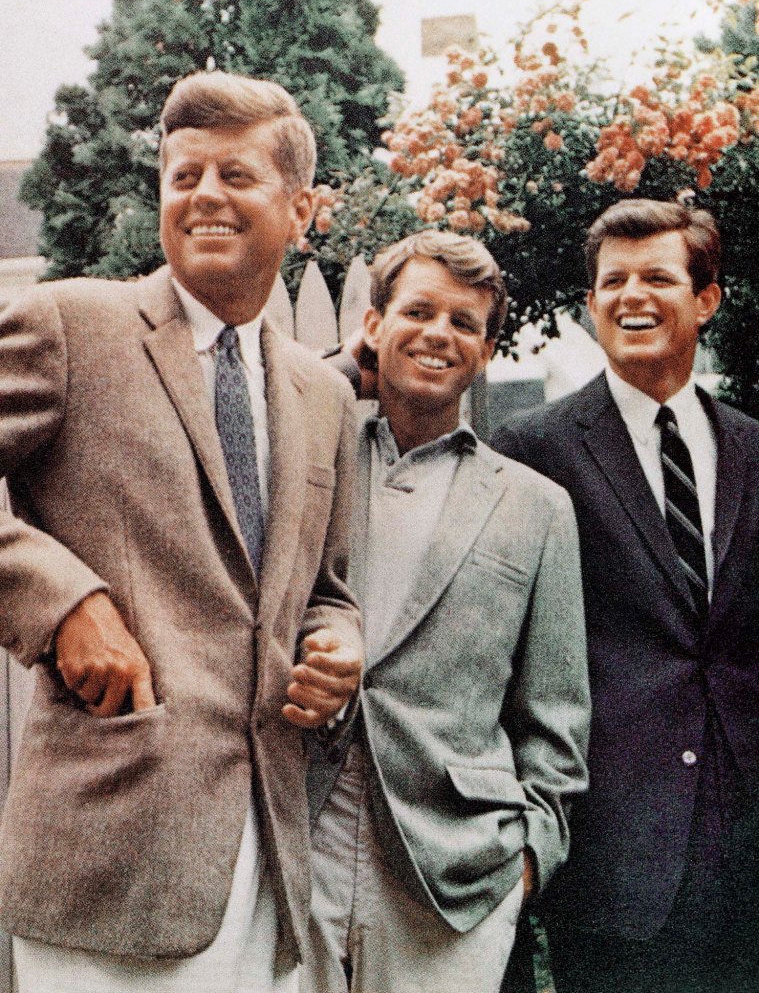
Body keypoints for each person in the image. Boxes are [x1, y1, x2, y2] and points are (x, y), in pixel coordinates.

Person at [0, 71, 363, 993]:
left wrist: (335, 646)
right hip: (109, 855)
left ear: (302, 207)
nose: (203, 195)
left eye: (236, 175)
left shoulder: (325, 395)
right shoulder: (69, 324)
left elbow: (327, 589)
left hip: (268, 856)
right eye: (183, 175)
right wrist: (61, 599)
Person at [302, 231, 590, 993]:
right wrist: (344, 372)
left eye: (464, 323)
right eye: (417, 311)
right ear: (371, 325)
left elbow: (557, 713)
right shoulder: (309, 460)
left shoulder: (535, 506)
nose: (438, 333)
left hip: (453, 872)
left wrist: (527, 859)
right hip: (298, 841)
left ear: (486, 350)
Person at [492, 198, 759, 993]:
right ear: (590, 303)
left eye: (656, 277)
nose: (630, 296)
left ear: (706, 298)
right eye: (612, 282)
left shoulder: (752, 447)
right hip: (617, 853)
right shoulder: (533, 450)